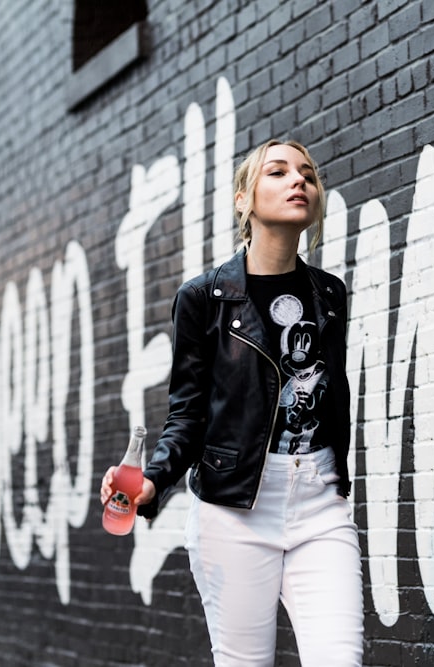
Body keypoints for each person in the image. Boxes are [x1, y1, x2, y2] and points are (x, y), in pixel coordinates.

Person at [101, 140, 363, 665]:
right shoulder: (203, 299)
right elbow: (188, 413)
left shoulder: (329, 294)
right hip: (234, 509)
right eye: (279, 171)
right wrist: (153, 480)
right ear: (243, 200)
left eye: (308, 175)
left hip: (320, 504)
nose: (299, 182)